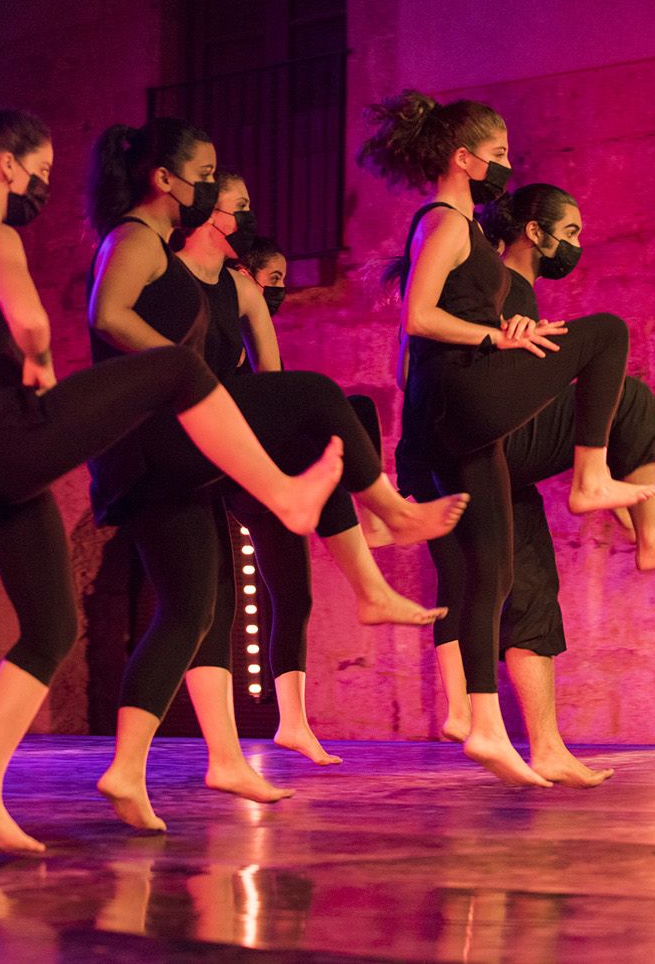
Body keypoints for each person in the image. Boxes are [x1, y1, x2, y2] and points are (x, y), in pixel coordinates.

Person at [0, 100, 349, 852]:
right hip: (12, 439)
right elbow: (31, 319)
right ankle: (281, 492)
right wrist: (39, 353)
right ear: (5, 167)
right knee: (175, 365)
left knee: (51, 628)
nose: (44, 184)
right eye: (39, 170)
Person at [86, 118, 467, 821]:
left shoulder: (198, 268)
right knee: (322, 397)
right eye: (203, 174)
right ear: (165, 179)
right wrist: (190, 376)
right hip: (151, 439)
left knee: (197, 609)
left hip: (182, 449)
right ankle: (389, 519)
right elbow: (106, 314)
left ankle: (147, 768)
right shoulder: (134, 239)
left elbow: (245, 366)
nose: (211, 186)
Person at [359, 89, 655, 786]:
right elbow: (418, 321)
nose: (506, 165)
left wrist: (510, 335)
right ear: (463, 160)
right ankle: (591, 476)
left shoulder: (463, 233)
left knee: (490, 571)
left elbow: (448, 324)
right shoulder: (444, 222)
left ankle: (491, 730)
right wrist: (495, 334)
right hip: (456, 401)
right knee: (608, 334)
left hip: (466, 401)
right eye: (497, 155)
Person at [404, 182, 655, 784]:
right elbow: (446, 355)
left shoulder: (504, 285)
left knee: (528, 590)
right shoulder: (491, 277)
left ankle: (547, 746)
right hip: (478, 442)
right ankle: (639, 524)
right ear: (533, 230)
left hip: (489, 455)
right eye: (570, 232)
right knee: (629, 395)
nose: (577, 244)